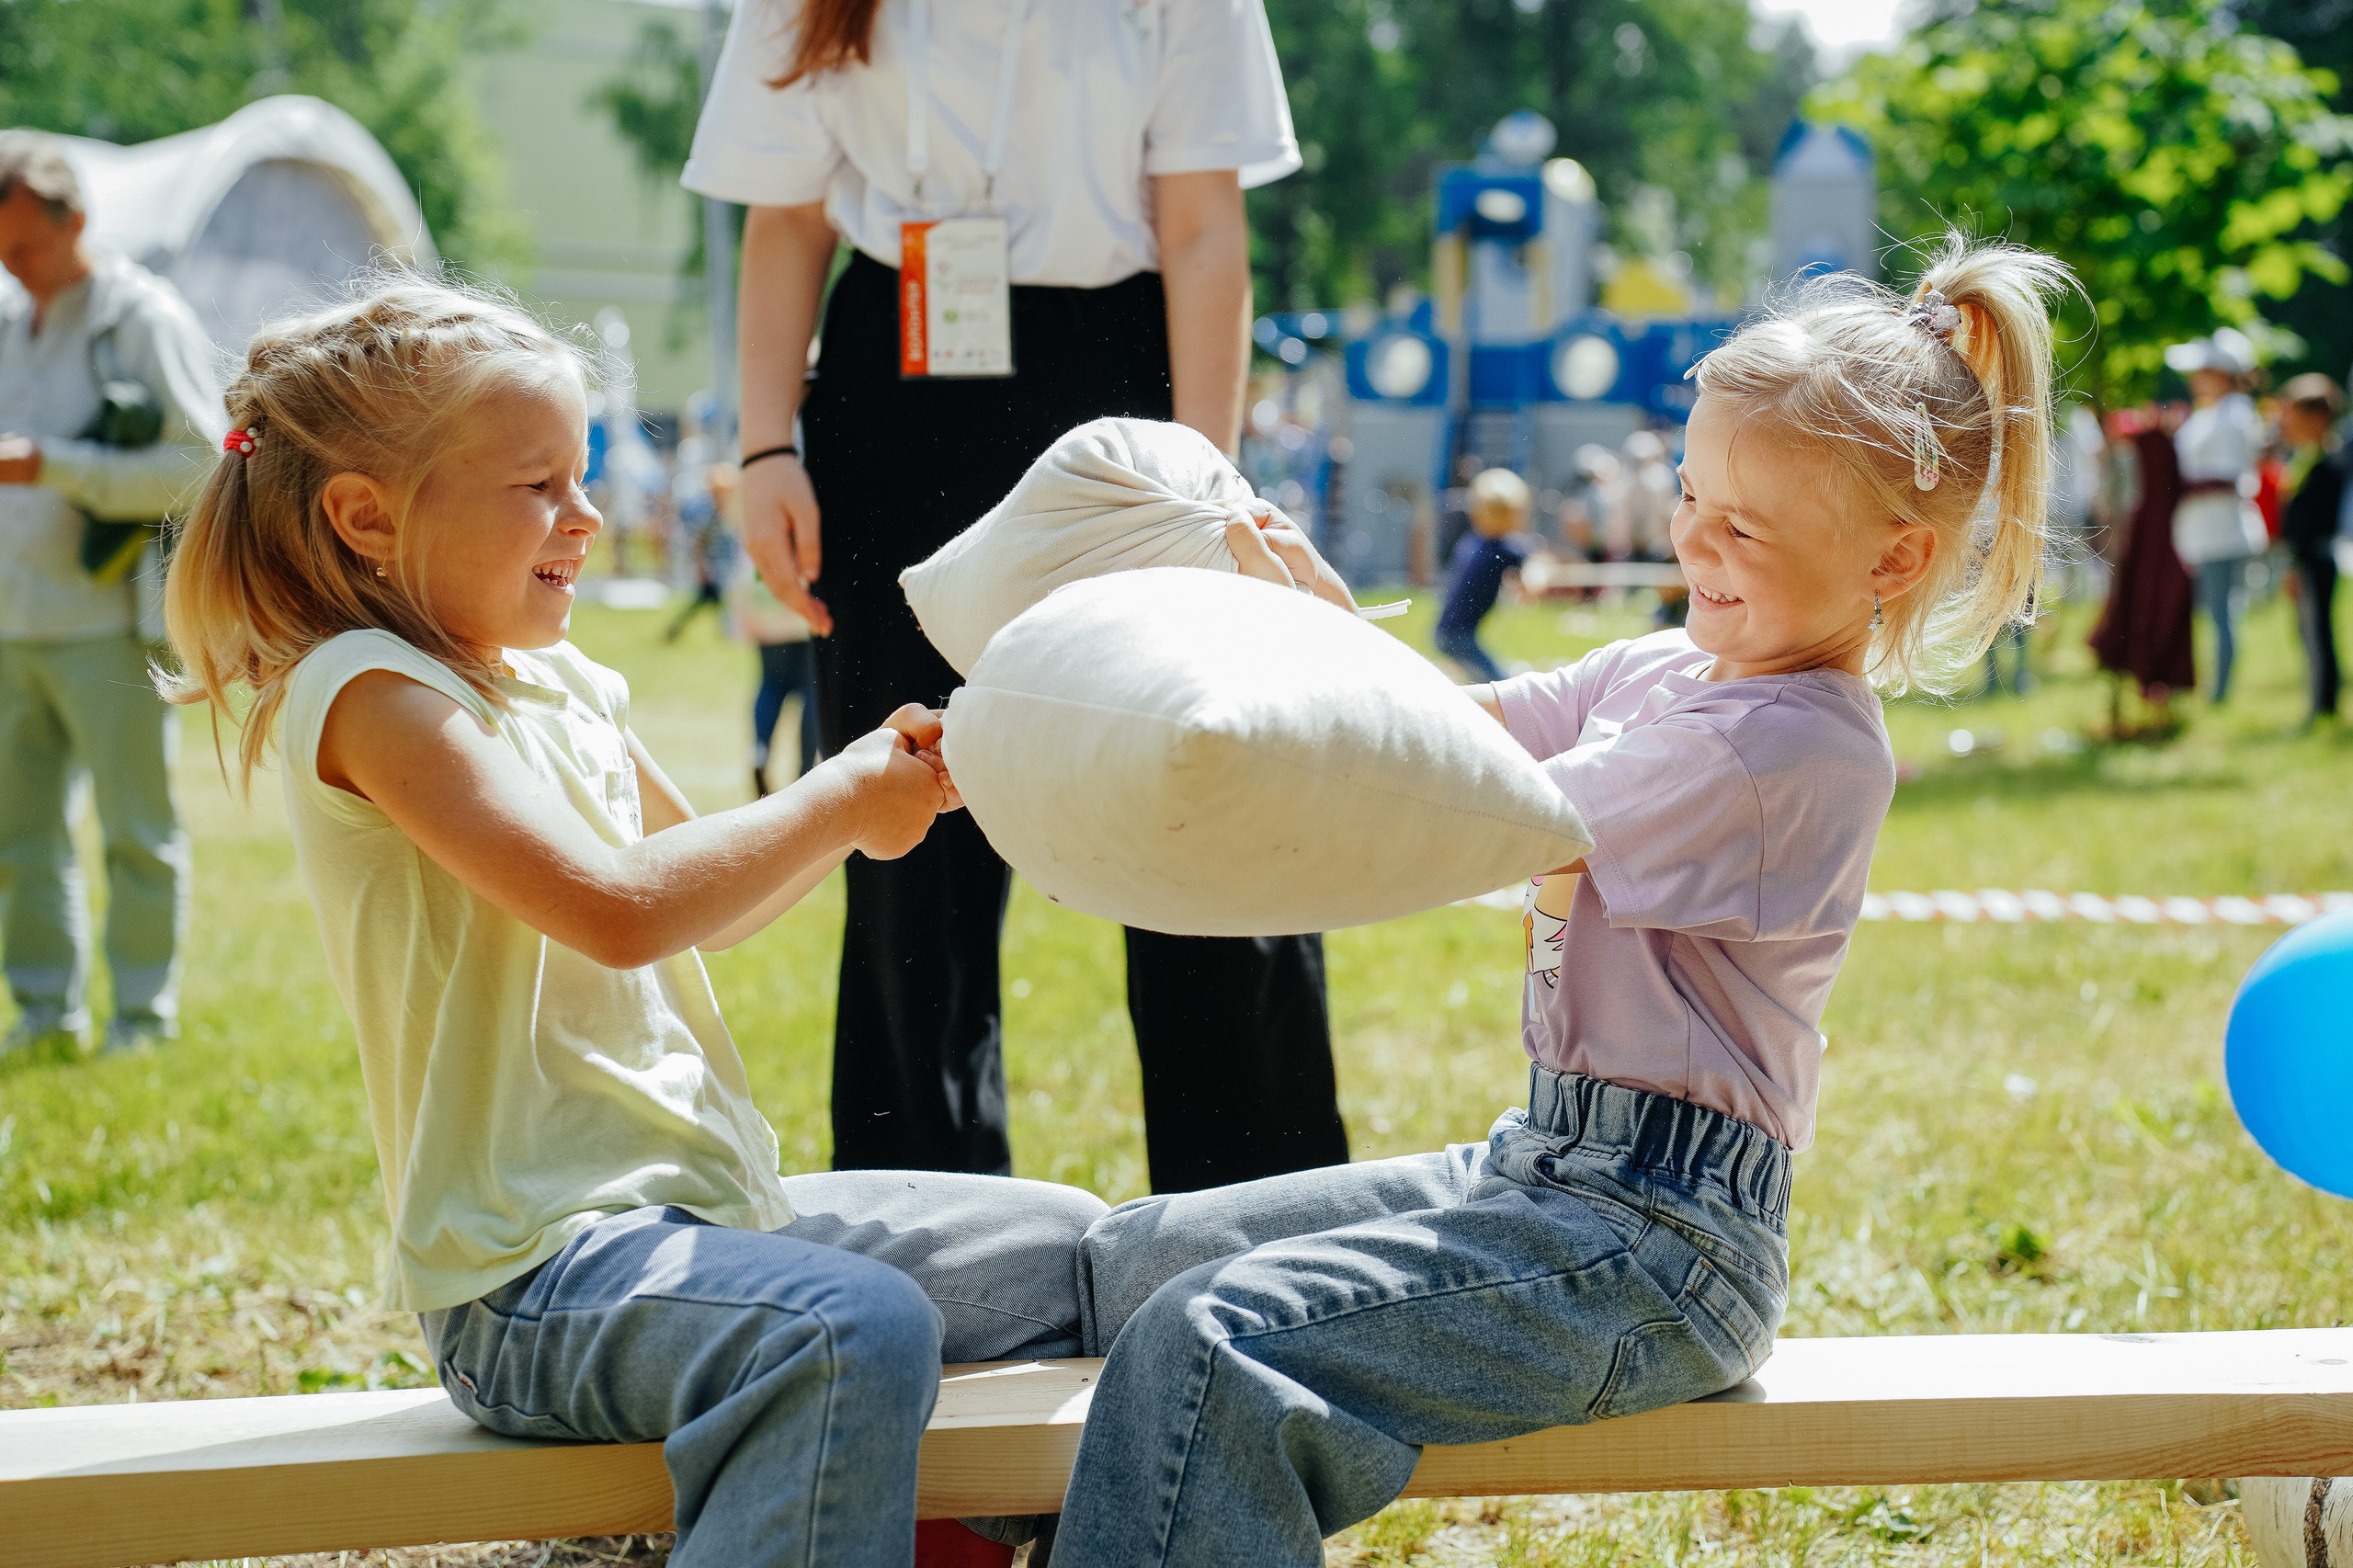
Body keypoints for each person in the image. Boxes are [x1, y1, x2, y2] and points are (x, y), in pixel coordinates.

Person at [1044, 236, 2071, 1565]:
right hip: (1544, 1167)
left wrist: (1296, 676)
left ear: (1893, 561)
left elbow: (1485, 813)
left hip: (1660, 1242)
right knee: (1141, 1257)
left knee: (1219, 1343)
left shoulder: (1791, 745)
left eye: (1740, 525)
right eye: (1689, 490)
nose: (1687, 535)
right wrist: (1302, 635)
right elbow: (1445, 723)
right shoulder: (1668, 664)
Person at [159, 277, 1105, 1568]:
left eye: (584, 476)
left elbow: (704, 907)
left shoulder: (556, 676)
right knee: (851, 1326)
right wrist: (835, 795)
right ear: (367, 516)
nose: (589, 517)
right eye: (538, 485)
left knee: (1058, 1245)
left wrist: (875, 803)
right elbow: (616, 911)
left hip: (698, 1224)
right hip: (529, 1284)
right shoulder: (369, 693)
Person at [684, 0, 1348, 1192]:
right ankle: (930, 1220)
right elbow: (785, 218)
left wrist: (1203, 482)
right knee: (903, 822)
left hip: (1122, 376)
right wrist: (766, 449)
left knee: (1204, 791)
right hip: (894, 380)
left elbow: (1203, 227)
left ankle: (1261, 1211)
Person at [0, 131, 224, 1056]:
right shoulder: (14, 322)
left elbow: (204, 466)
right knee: (20, 838)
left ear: (77, 221)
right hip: (15, 623)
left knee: (137, 830)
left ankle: (140, 1017)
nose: (12, 268)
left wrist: (60, 466)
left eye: (24, 248)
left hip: (109, 624)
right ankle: (44, 1012)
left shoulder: (143, 316)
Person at [2166, 330, 2269, 704]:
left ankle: (2220, 692)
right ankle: (2212, 686)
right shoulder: (2212, 413)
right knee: (2212, 611)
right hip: (2203, 531)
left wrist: (2178, 488)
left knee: (2222, 612)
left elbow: (2228, 477)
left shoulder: (2236, 413)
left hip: (2224, 529)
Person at [721, 460, 824, 796]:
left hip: (761, 599)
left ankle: (759, 752)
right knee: (810, 690)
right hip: (800, 606)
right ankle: (806, 770)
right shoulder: (803, 485)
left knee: (770, 684)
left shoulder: (752, 490)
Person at [2277, 373, 2347, 727]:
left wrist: (2294, 561)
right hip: (2306, 559)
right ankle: (2319, 702)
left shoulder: (2328, 462)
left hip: (2315, 559)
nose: (2285, 422)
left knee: (2318, 634)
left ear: (2317, 418)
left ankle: (2323, 706)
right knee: (2307, 632)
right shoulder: (2305, 459)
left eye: (2293, 414)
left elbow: (2309, 522)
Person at [1432, 466, 1529, 683]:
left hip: (1446, 630)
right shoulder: (1507, 549)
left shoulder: (1469, 542)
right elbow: (1527, 570)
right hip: (1459, 635)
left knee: (1479, 673)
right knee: (1498, 682)